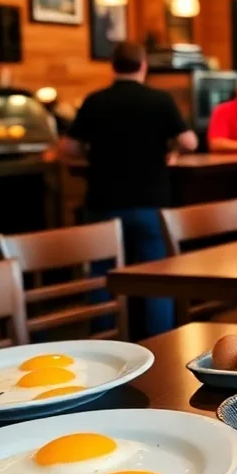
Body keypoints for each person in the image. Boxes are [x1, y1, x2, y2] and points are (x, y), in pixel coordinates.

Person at [63, 42, 198, 337]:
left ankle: (101, 338)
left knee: (102, 275)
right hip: (149, 202)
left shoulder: (95, 100)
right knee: (155, 275)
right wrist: (170, 148)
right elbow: (189, 142)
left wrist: (92, 153)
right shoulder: (159, 100)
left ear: (113, 66)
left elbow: (69, 146)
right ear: (144, 66)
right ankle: (158, 342)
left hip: (103, 202)